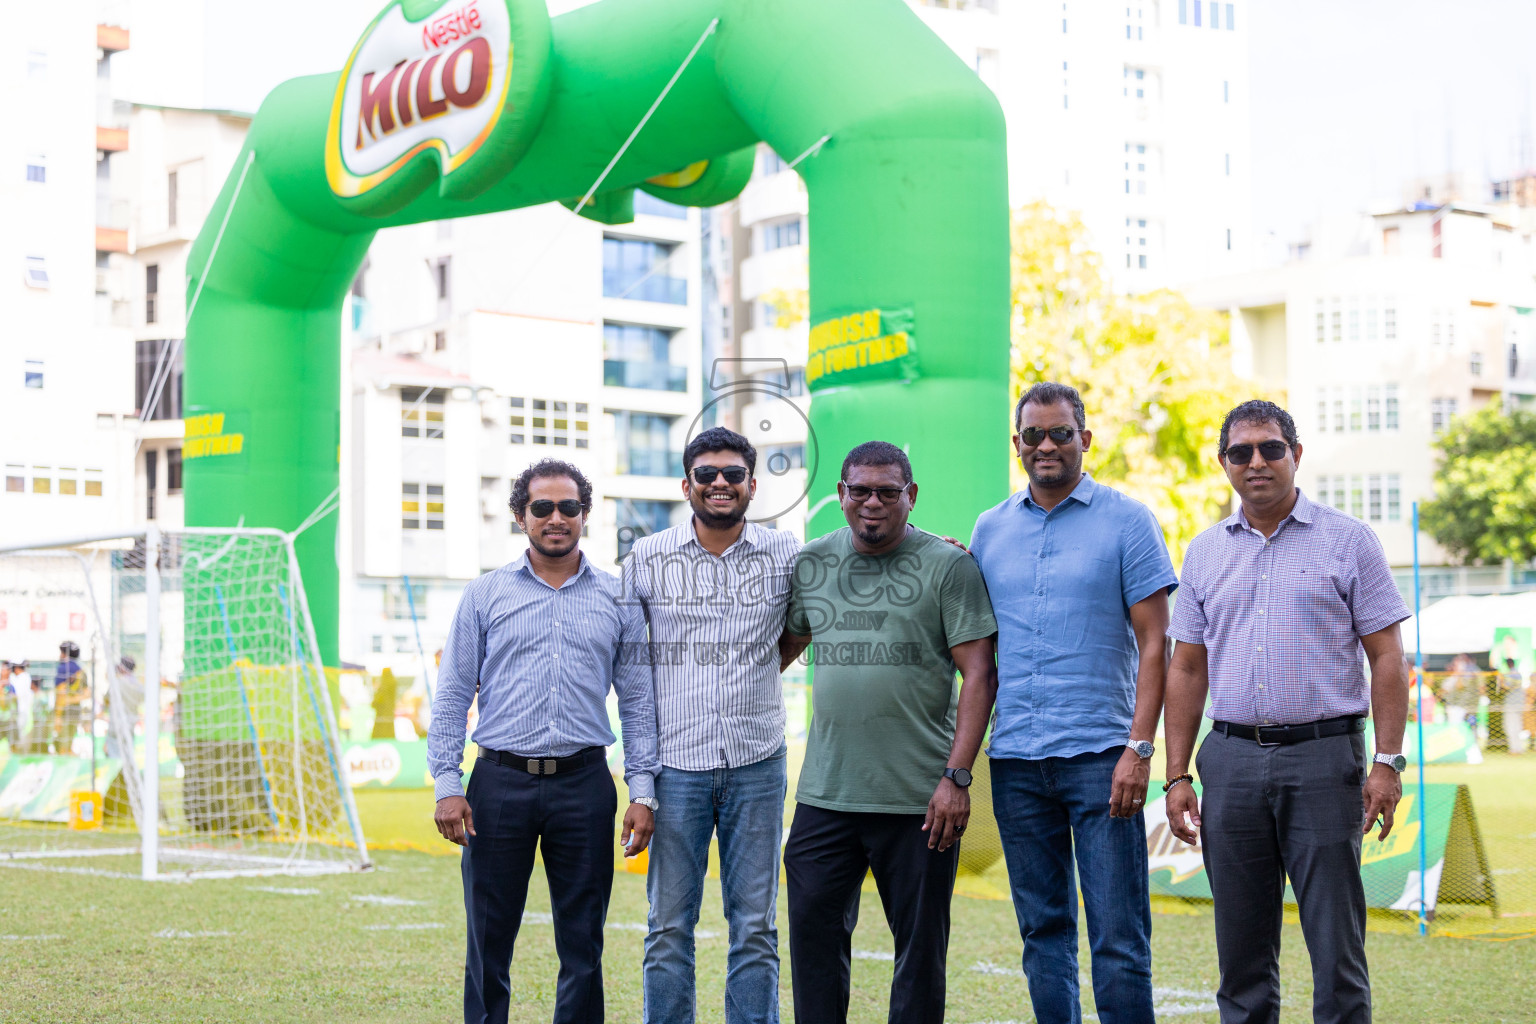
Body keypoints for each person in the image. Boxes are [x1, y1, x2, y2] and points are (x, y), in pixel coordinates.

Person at [1163, 400, 1410, 1024]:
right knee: (1241, 954)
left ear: (1295, 455)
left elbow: (1386, 657)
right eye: (1241, 452)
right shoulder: (1204, 553)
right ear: (1224, 464)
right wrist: (1176, 774)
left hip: (1325, 761)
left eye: (1271, 448)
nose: (1257, 462)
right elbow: (1187, 668)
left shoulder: (1349, 540)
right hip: (1231, 761)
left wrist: (1386, 763)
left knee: (1336, 950)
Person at [968, 382, 1177, 1024]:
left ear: (1086, 439)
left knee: (1118, 935)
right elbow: (976, 645)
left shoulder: (1129, 520)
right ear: (1018, 445)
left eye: (1061, 433)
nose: (1047, 446)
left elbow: (1156, 645)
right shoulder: (989, 528)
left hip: (1103, 760)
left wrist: (1140, 751)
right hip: (1016, 763)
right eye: (1034, 435)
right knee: (1043, 932)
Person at [428, 458, 660, 1024]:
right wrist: (445, 784)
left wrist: (643, 790)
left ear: (585, 514)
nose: (556, 518)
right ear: (519, 516)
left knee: (583, 945)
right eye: (542, 508)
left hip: (584, 786)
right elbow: (453, 693)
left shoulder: (618, 597)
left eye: (568, 507)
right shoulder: (484, 595)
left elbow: (638, 702)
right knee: (488, 940)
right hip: (497, 786)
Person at [781, 441, 998, 1024]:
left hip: (920, 800)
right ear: (841, 495)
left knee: (920, 955)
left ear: (911, 496)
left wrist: (956, 777)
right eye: (859, 491)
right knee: (813, 948)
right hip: (825, 797)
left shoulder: (949, 566)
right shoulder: (812, 562)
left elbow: (978, 675)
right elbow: (778, 650)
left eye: (887, 491)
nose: (872, 502)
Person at [625, 427, 801, 1024]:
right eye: (707, 474)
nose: (719, 483)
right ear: (686, 485)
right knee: (668, 924)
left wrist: (936, 542)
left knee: (755, 925)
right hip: (677, 769)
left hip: (758, 763)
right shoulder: (647, 559)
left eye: (732, 474)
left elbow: (805, 620)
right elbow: (632, 676)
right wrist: (642, 787)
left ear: (753, 484)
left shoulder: (786, 554)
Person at [53, 640, 87, 755]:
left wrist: (57, 716)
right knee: (69, 743)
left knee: (62, 746)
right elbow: (87, 693)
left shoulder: (63, 668)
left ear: (64, 654)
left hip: (64, 711)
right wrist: (73, 700)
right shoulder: (81, 670)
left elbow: (60, 694)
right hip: (76, 711)